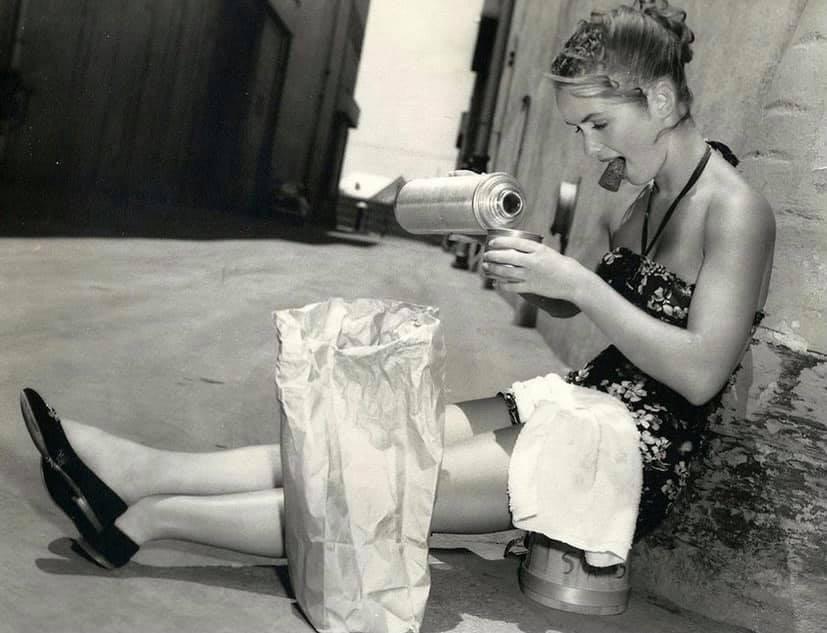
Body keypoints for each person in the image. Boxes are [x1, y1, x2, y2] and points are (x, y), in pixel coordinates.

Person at [21, 0, 774, 570]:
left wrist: (578, 284)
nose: (588, 148)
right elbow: (603, 312)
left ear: (666, 102)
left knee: (384, 483)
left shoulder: (736, 212)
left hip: (629, 452)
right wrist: (533, 277)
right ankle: (140, 470)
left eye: (599, 124)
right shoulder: (639, 197)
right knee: (360, 432)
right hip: (579, 401)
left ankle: (151, 519)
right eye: (576, 129)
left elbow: (701, 373)